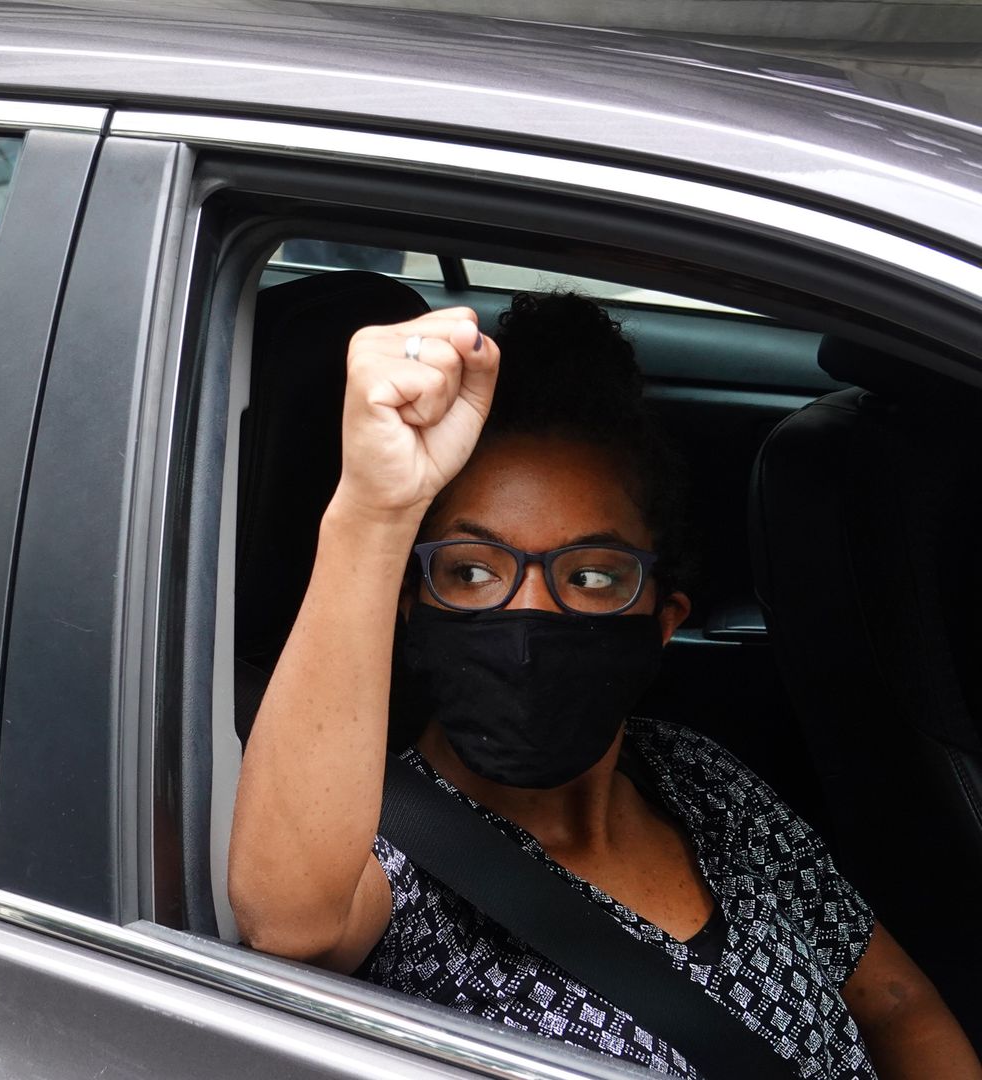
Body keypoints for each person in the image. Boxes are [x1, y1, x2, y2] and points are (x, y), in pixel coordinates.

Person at [227, 292, 980, 1079]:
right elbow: (289, 926)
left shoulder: (702, 780)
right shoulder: (384, 856)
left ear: (663, 619)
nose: (528, 618)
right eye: (474, 571)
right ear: (413, 603)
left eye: (589, 575)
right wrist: (377, 512)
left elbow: (897, 1003)